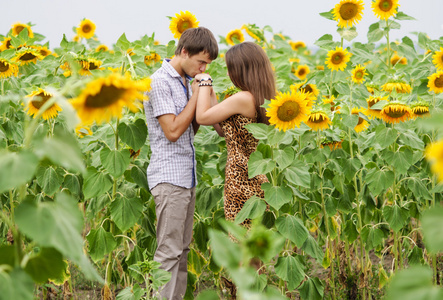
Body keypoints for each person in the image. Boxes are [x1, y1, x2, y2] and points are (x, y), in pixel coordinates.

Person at [144, 27, 218, 300]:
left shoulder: (187, 81)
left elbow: (190, 130)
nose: (203, 68)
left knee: (182, 252)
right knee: (168, 253)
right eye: (201, 61)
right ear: (184, 51)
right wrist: (197, 95)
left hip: (186, 176)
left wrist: (204, 94)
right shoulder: (160, 81)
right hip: (169, 178)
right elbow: (173, 131)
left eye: (207, 64)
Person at [195, 42, 276, 226]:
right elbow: (224, 131)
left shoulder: (242, 98)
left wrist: (205, 83)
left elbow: (201, 117)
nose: (228, 74)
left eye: (231, 69)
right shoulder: (258, 97)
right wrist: (212, 97)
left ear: (242, 70)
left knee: (240, 242)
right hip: (253, 176)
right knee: (252, 242)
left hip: (239, 178)